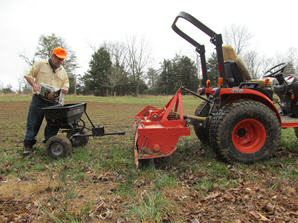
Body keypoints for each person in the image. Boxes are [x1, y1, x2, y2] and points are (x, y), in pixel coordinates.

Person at [23, 47, 69, 156]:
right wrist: (34, 85)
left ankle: (50, 144)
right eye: (58, 59)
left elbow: (66, 85)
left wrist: (65, 89)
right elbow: (28, 75)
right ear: (52, 56)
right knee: (33, 123)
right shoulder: (40, 65)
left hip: (54, 102)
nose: (60, 61)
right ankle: (28, 145)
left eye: (62, 60)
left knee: (53, 124)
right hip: (39, 100)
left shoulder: (63, 71)